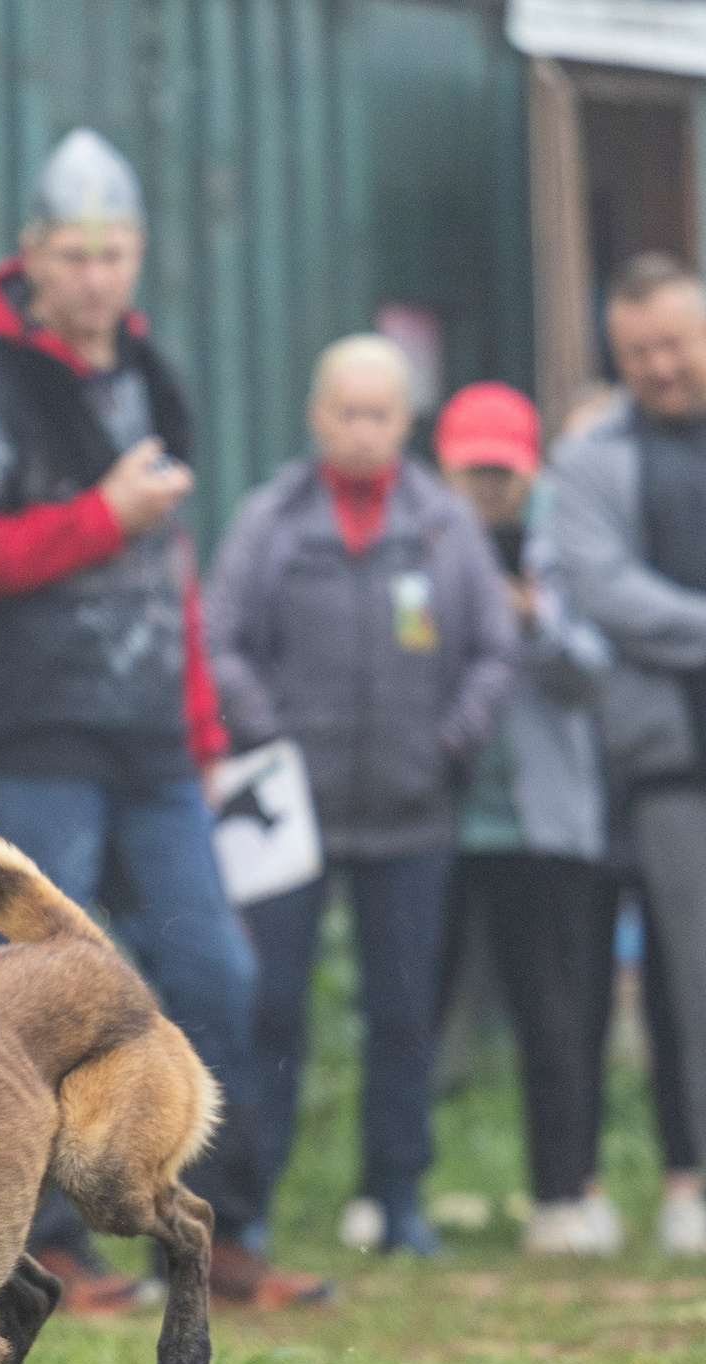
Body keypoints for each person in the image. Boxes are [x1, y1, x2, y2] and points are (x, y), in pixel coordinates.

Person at [0, 130, 328, 1311]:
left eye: (114, 253)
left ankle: (218, 1231)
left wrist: (201, 729)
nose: (95, 276)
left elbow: (167, 570)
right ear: (32, 255)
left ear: (136, 254)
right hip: (32, 742)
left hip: (152, 747)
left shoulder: (149, 373)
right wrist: (97, 514)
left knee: (217, 974)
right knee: (32, 998)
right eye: (74, 254)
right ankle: (39, 1250)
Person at [206, 343, 517, 1259]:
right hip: (284, 816)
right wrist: (270, 735)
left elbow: (495, 649)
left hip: (411, 813)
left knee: (404, 1011)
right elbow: (219, 641)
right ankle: (250, 1200)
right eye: (347, 412)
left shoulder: (445, 527)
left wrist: (449, 740)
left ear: (405, 423)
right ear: (318, 416)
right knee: (269, 1006)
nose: (362, 429)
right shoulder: (270, 520)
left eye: (380, 414)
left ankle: (397, 1196)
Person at [542, 253, 706, 1262]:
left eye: (674, 344)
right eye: (637, 351)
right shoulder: (591, 460)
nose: (659, 366)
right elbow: (604, 591)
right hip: (677, 760)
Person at [421, 383, 615, 1255]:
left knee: (553, 1018)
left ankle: (561, 1195)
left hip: (543, 825)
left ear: (530, 469)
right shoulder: (421, 541)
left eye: (503, 471)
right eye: (474, 471)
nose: (489, 487)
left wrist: (539, 622)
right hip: (441, 820)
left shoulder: (563, 544)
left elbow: (595, 670)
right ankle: (393, 1192)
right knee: (416, 1014)